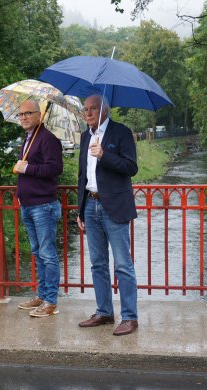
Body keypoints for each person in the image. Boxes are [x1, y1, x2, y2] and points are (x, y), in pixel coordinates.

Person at [75, 95, 140, 336]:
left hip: (114, 206)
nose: (88, 113)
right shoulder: (85, 136)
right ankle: (103, 311)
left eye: (93, 109)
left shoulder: (121, 132)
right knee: (98, 264)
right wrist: (80, 209)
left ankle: (130, 317)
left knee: (123, 265)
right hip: (91, 206)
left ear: (105, 110)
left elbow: (131, 167)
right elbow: (82, 175)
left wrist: (105, 155)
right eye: (86, 109)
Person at [13, 99, 64, 318]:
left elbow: (55, 168)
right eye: (20, 114)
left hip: (44, 206)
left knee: (48, 254)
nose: (23, 117)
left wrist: (28, 168)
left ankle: (51, 301)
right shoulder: (28, 139)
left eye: (27, 113)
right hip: (29, 204)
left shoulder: (48, 139)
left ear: (39, 115)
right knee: (38, 253)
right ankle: (42, 296)